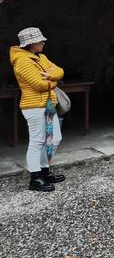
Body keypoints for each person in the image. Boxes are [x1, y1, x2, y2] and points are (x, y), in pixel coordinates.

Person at [10, 28, 65, 192]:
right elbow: (39, 85)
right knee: (37, 141)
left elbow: (60, 71)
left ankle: (44, 171)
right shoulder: (22, 61)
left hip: (48, 105)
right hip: (33, 107)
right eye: (40, 40)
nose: (43, 42)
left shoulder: (41, 57)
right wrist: (53, 81)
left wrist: (50, 75)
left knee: (54, 139)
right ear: (30, 43)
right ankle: (35, 178)